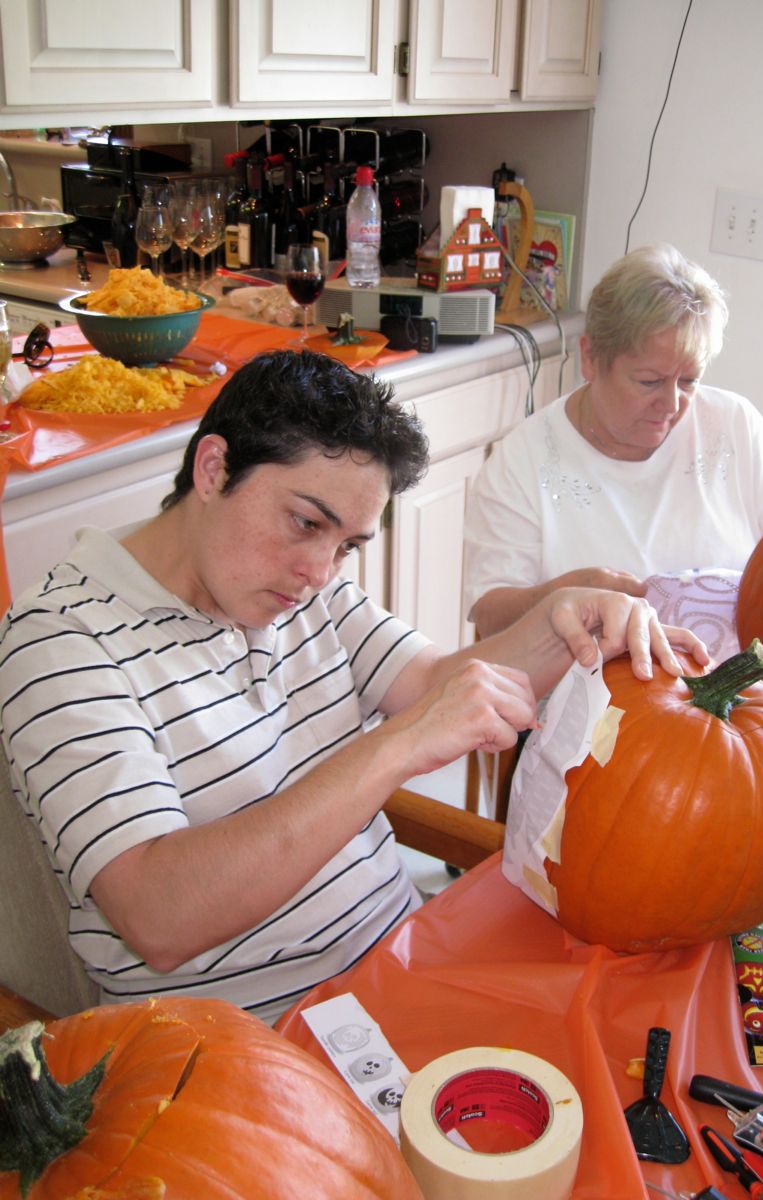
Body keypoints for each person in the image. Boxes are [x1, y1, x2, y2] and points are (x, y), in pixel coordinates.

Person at [0, 349, 706, 1025]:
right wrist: (399, 745)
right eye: (305, 523)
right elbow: (158, 916)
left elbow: (433, 681)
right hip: (240, 1053)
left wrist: (567, 621)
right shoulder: (61, 643)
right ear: (213, 469)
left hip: (396, 972)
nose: (320, 570)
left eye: (346, 546)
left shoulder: (297, 588)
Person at [463, 243, 763, 641]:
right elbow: (490, 621)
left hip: (736, 693)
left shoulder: (736, 427)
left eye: (690, 380)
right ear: (590, 358)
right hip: (595, 699)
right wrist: (561, 596)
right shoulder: (522, 462)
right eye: (649, 381)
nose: (673, 403)